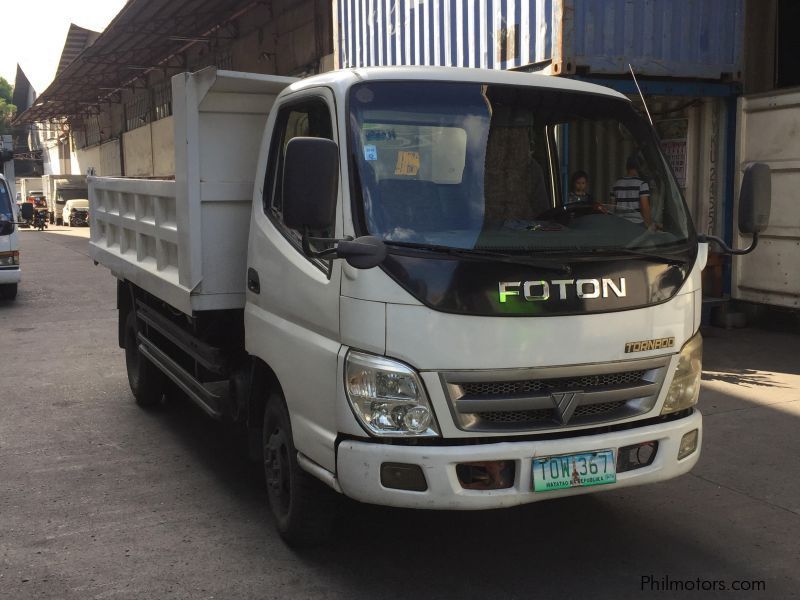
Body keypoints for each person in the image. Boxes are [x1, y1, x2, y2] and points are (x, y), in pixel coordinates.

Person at [610, 155, 652, 227]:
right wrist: (649, 225)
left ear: (627, 167)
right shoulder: (642, 184)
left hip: (619, 224)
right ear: (639, 168)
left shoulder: (616, 184)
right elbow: (645, 208)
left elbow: (611, 208)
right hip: (636, 224)